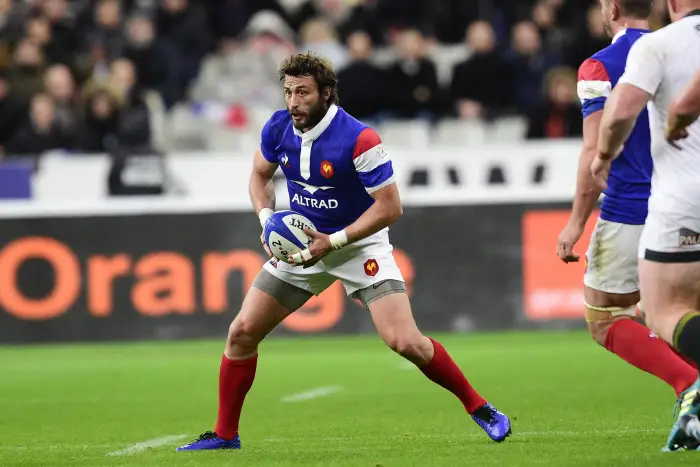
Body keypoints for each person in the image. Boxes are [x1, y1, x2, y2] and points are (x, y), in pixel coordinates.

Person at [176, 52, 512, 452]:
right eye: (288, 92)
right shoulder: (278, 127)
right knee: (241, 332)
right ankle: (225, 435)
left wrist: (333, 242)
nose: (294, 101)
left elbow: (390, 207)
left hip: (357, 246)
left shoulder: (360, 139)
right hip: (303, 247)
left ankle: (480, 407)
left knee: (405, 342)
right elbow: (259, 175)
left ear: (326, 93)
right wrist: (266, 219)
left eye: (303, 92)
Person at [557, 0, 697, 426]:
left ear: (612, 9)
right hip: (688, 200)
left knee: (605, 317)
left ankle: (689, 385)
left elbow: (593, 150)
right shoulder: (680, 47)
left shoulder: (600, 66)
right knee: (674, 309)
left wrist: (576, 222)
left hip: (633, 208)